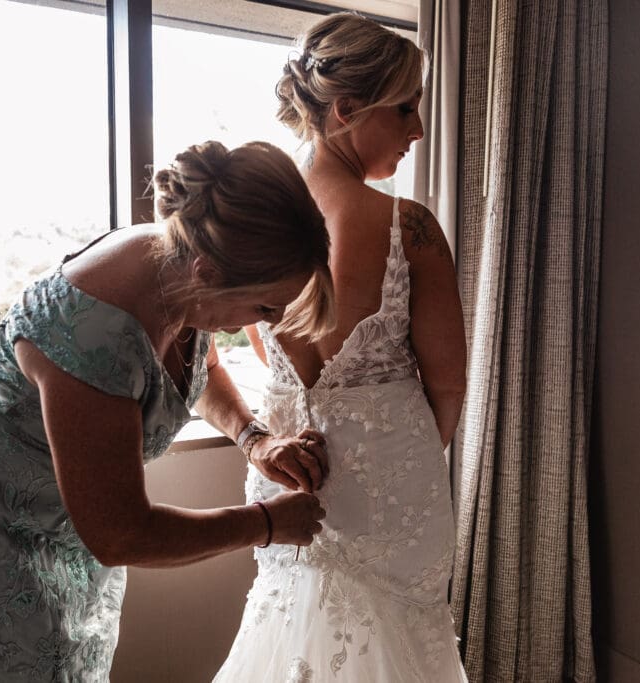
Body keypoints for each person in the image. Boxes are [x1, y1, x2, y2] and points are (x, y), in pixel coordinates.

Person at [0, 140, 338, 682]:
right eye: (263, 306)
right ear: (208, 272)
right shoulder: (98, 333)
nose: (269, 321)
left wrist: (255, 438)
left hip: (62, 516)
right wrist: (267, 523)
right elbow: (120, 534)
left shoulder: (181, 267)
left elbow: (195, 368)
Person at [213, 13, 468, 682]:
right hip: (396, 486)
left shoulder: (256, 222)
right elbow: (448, 384)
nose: (418, 129)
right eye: (406, 108)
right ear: (347, 108)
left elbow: (267, 352)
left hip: (287, 473)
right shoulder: (408, 228)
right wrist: (400, 452)